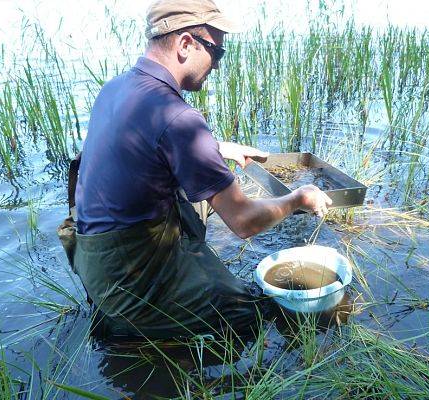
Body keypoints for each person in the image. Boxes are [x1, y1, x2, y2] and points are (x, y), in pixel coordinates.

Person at [72, 0, 332, 339]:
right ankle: (149, 322)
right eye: (217, 52)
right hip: (128, 284)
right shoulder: (178, 117)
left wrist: (217, 148)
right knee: (248, 312)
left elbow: (140, 148)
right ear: (185, 44)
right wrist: (299, 198)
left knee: (199, 197)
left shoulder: (116, 88)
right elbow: (244, 223)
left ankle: (178, 276)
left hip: (94, 259)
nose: (218, 65)